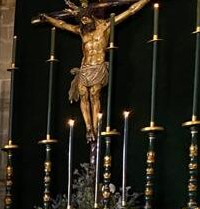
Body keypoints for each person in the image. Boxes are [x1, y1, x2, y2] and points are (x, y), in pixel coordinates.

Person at [36, 0, 150, 142]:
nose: (84, 23)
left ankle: (96, 128)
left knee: (94, 94)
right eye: (82, 21)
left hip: (98, 66)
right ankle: (88, 127)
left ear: (91, 16)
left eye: (86, 19)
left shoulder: (105, 26)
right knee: (83, 95)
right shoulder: (81, 31)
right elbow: (62, 25)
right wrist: (47, 18)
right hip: (85, 68)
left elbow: (131, 10)